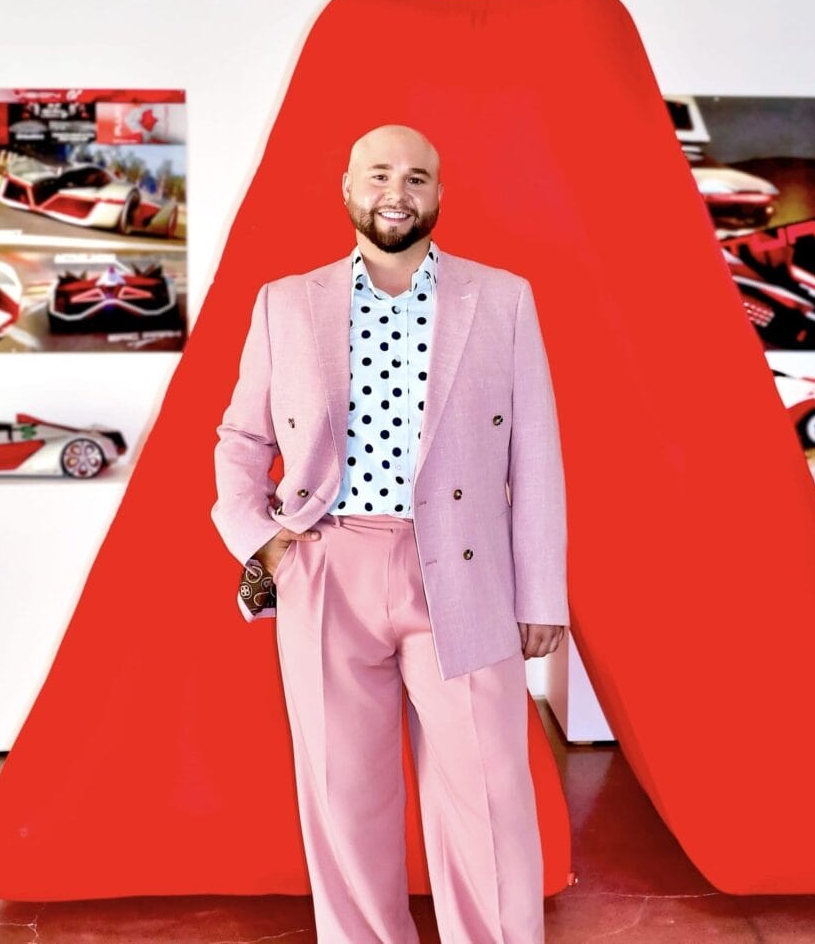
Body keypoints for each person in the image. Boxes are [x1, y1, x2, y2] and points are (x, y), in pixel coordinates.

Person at [212, 123, 569, 943]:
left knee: (487, 791)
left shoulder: (502, 297)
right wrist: (260, 540)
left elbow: (538, 453)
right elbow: (241, 438)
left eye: (416, 178)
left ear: (440, 195)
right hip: (329, 565)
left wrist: (541, 589)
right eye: (379, 175)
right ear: (347, 189)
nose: (396, 193)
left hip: (463, 571)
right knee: (343, 793)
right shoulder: (287, 302)